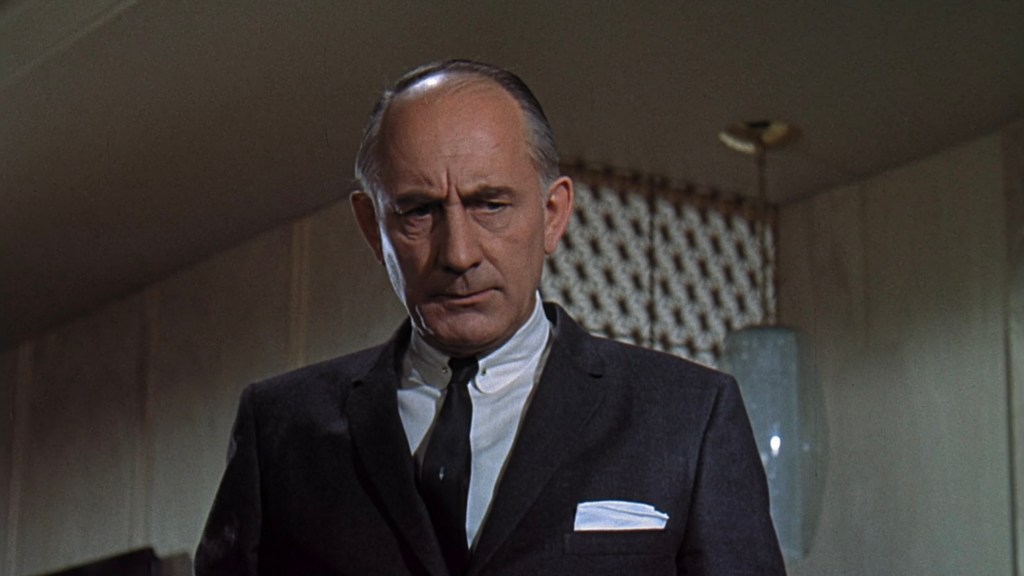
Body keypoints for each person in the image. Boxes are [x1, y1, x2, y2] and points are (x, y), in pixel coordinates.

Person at [195, 59, 785, 576]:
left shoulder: (685, 418)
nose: (458, 253)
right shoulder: (280, 431)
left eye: (490, 205)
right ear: (370, 228)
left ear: (554, 215)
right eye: (419, 212)